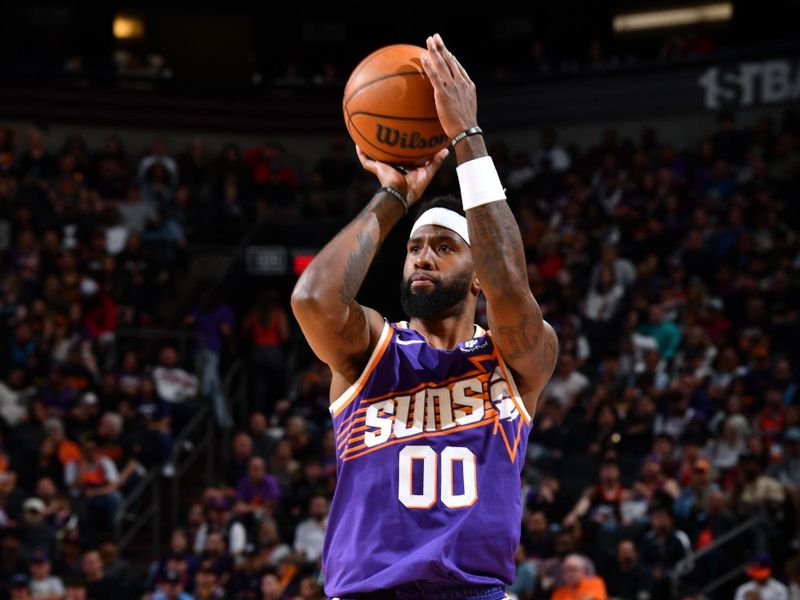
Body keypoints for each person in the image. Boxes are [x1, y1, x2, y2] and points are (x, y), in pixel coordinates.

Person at [291, 33, 558, 599]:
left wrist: (466, 136)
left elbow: (511, 284)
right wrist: (393, 197)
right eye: (415, 248)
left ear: (477, 272)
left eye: (443, 246)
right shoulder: (371, 349)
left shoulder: (514, 356)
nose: (423, 257)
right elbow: (312, 300)